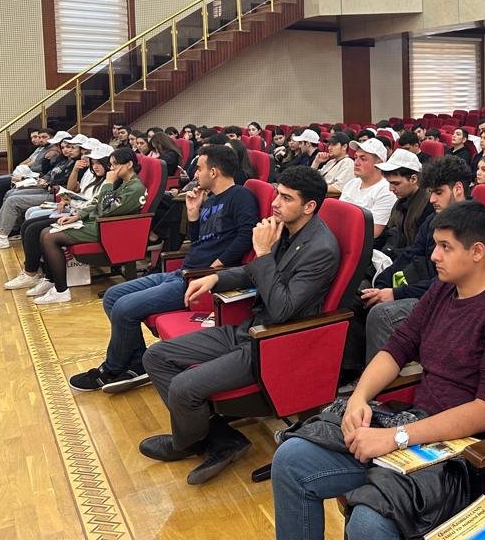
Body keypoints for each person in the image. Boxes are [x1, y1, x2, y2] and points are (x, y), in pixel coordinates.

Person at [271, 201, 485, 540]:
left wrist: (395, 437)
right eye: (435, 245)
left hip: (458, 453)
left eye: (445, 247)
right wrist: (358, 398)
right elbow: (397, 348)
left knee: (369, 523)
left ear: (477, 252)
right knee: (292, 459)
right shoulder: (443, 289)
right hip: (412, 424)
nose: (434, 255)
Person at [140, 166, 339, 485]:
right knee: (155, 357)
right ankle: (217, 438)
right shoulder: (287, 226)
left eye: (286, 198)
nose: (275, 203)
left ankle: (187, 442)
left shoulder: (321, 249)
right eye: (276, 193)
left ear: (309, 206)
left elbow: (282, 309)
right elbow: (254, 272)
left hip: (272, 342)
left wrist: (262, 252)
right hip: (248, 327)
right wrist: (216, 278)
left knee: (183, 387)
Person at [62, 145, 258, 391]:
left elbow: (246, 236)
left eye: (199, 168)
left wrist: (213, 269)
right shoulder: (210, 199)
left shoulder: (240, 196)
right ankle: (136, 362)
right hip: (181, 272)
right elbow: (201, 241)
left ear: (214, 172)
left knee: (123, 308)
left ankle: (112, 369)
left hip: (197, 280)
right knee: (112, 296)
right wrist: (193, 215)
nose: (195, 174)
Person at [351, 156, 472, 370]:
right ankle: (356, 369)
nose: (432, 199)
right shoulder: (433, 220)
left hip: (446, 298)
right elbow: (410, 254)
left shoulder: (471, 227)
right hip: (420, 285)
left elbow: (447, 283)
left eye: (438, 192)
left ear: (458, 189)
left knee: (382, 314)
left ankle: (380, 381)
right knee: (361, 295)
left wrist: (395, 294)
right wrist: (382, 284)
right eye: (431, 192)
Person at [29, 148, 149, 305]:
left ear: (129, 164)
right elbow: (97, 202)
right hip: (96, 222)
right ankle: (51, 280)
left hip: (109, 228)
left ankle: (61, 291)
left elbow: (105, 210)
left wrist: (108, 183)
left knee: (50, 237)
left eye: (115, 164)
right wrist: (78, 216)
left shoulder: (135, 188)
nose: (112, 169)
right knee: (45, 232)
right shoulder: (123, 182)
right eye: (111, 165)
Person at [0, 133, 81, 250]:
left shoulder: (77, 165)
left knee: (13, 200)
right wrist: (44, 175)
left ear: (80, 149)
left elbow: (67, 186)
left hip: (56, 195)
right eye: (63, 147)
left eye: (70, 147)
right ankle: (0, 232)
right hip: (46, 188)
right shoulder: (63, 160)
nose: (66, 150)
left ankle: (3, 237)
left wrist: (47, 183)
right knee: (11, 194)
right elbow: (49, 173)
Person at [375, 149, 433, 255]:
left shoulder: (429, 205)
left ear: (413, 179)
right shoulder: (401, 201)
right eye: (389, 183)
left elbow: (421, 250)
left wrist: (391, 254)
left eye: (396, 184)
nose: (391, 189)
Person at [340, 138, 397, 239]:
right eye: (355, 157)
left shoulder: (387, 191)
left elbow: (373, 232)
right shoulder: (351, 184)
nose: (356, 162)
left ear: (379, 163)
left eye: (363, 159)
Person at [313, 132, 355, 196]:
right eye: (329, 144)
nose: (329, 148)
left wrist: (313, 187)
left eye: (334, 144)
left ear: (344, 147)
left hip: (327, 197)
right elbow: (312, 177)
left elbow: (338, 188)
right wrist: (316, 162)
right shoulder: (331, 162)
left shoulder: (348, 163)